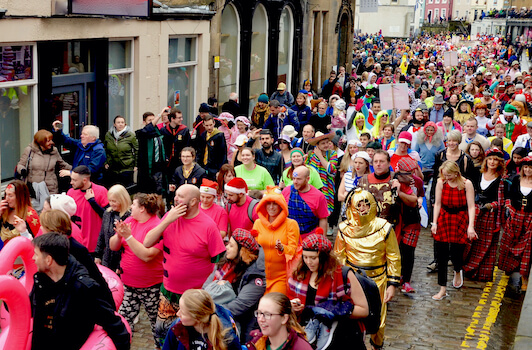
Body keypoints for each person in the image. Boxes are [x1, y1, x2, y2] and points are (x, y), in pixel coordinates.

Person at [144, 184, 226, 345]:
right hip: (168, 293)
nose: (176, 198)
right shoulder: (170, 217)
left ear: (194, 201)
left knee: (191, 340)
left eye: (181, 196)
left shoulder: (208, 226)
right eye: (177, 195)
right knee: (163, 336)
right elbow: (147, 242)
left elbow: (220, 260)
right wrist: (167, 220)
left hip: (194, 300)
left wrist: (208, 288)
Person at [30, 233, 130, 350]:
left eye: (36, 255)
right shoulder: (41, 280)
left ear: (48, 260)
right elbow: (31, 308)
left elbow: (114, 324)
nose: (33, 258)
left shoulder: (83, 288)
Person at [334, 188, 401, 350]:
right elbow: (339, 257)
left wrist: (392, 284)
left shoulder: (384, 228)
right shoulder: (344, 229)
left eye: (366, 204)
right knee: (353, 317)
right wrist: (340, 282)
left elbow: (393, 257)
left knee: (378, 320)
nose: (362, 208)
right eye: (359, 205)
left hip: (378, 279)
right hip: (353, 281)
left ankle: (376, 346)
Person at [288, 234, 369, 349]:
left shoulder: (343, 274)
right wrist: (291, 306)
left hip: (339, 336)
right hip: (307, 334)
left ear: (324, 257)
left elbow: (364, 310)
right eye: (305, 257)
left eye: (313, 258)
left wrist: (335, 309)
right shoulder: (299, 274)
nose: (308, 262)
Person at [110, 193, 164, 348]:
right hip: (128, 284)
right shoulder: (129, 221)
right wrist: (119, 236)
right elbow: (113, 246)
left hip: (150, 286)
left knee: (156, 324)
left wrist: (128, 237)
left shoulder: (156, 226)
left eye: (133, 205)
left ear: (142, 209)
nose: (130, 207)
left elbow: (147, 256)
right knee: (123, 320)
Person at [39, 209, 115, 308]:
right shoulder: (50, 248)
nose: (40, 228)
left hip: (77, 304)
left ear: (51, 229)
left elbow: (95, 276)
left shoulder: (75, 249)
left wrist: (109, 306)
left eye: (43, 226)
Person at [203, 228, 266, 341]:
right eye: (227, 244)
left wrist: (211, 311)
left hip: (238, 322)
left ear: (242, 251)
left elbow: (240, 305)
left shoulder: (255, 276)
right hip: (213, 312)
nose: (226, 248)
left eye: (231, 246)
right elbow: (207, 283)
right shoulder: (226, 261)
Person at [431, 161, 477, 301]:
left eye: (449, 175)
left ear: (456, 173)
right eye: (444, 175)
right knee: (442, 255)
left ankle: (458, 270)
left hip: (460, 218)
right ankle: (442, 289)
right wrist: (434, 222)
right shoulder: (441, 182)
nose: (447, 177)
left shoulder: (466, 184)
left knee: (457, 252)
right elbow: (437, 203)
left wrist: (471, 226)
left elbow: (471, 206)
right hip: (444, 217)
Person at [463, 149, 505, 282]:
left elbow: (502, 202)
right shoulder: (477, 173)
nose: (492, 162)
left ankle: (480, 273)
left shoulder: (502, 180)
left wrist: (491, 205)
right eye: (490, 159)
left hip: (489, 216)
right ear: (486, 160)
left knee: (484, 245)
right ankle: (465, 269)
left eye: (496, 160)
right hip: (473, 211)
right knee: (470, 242)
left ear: (500, 163)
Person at [253, 186, 300, 294]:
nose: (271, 207)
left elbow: (293, 250)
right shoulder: (258, 223)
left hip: (281, 277)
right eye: (268, 203)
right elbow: (253, 249)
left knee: (274, 306)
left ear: (281, 206)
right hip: (259, 276)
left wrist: (282, 248)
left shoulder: (291, 224)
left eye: (275, 204)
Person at [163, 289, 241, 350]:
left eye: (183, 313)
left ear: (198, 318)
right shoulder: (177, 327)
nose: (178, 314)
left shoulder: (227, 337)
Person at [499, 154, 532, 293]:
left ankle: (525, 278)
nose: (528, 170)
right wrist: (509, 210)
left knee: (527, 248)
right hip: (515, 215)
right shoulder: (516, 180)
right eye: (526, 167)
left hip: (530, 217)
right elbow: (509, 197)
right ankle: (510, 268)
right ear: (522, 168)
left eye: (531, 168)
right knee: (511, 243)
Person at [246, 292, 312, 350]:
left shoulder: (301, 347)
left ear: (284, 319)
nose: (261, 319)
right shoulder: (257, 343)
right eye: (259, 313)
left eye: (267, 314)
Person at [67, 165, 109, 253]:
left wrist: (92, 202)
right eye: (71, 179)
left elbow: (108, 217)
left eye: (74, 180)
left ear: (85, 180)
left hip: (96, 246)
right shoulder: (71, 192)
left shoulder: (101, 191)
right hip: (77, 243)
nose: (71, 182)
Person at [17, 129, 71, 195]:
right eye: (48, 141)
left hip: (50, 189)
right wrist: (22, 170)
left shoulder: (54, 151)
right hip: (33, 189)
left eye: (51, 140)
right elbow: (20, 164)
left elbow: (63, 164)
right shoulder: (30, 150)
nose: (51, 142)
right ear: (41, 142)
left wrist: (76, 171)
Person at [282, 166, 328, 239]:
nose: (295, 182)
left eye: (299, 179)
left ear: (307, 179)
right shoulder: (286, 191)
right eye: (293, 178)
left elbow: (323, 219)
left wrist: (322, 240)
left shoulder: (319, 196)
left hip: (310, 238)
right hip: (289, 236)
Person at [94, 184, 132, 272]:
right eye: (110, 201)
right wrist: (98, 255)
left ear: (122, 200)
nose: (111, 204)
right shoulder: (107, 213)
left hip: (122, 260)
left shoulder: (130, 216)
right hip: (107, 258)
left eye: (114, 201)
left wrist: (120, 265)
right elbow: (102, 235)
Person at [357, 150, 400, 224]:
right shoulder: (363, 180)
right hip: (369, 225)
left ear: (389, 163)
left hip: (392, 226)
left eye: (382, 161)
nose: (378, 164)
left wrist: (399, 192)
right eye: (375, 161)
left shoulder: (397, 179)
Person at [0, 180, 40, 249]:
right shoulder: (4, 211)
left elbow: (37, 243)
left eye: (10, 196)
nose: (6, 199)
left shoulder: (30, 214)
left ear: (20, 197)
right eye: (6, 194)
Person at [306, 132, 338, 215]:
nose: (326, 145)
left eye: (327, 142)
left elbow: (331, 169)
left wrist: (320, 156)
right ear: (317, 145)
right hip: (313, 188)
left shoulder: (332, 154)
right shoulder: (310, 155)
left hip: (327, 188)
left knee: (325, 213)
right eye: (323, 143)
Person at [136, 111, 167, 195]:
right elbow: (147, 129)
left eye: (154, 120)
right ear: (144, 122)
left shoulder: (158, 133)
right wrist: (159, 114)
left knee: (159, 192)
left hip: (158, 167)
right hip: (147, 168)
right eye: (150, 120)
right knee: (147, 193)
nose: (153, 122)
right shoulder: (142, 133)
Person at [103, 115, 138, 188]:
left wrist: (136, 165)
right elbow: (105, 149)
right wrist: (106, 162)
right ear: (114, 124)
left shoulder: (130, 135)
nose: (120, 124)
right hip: (112, 168)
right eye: (118, 122)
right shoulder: (109, 135)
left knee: (126, 189)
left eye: (122, 122)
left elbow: (137, 150)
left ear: (125, 124)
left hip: (126, 167)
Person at [160, 108, 191, 186]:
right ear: (172, 119)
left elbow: (188, 146)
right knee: (168, 182)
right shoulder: (164, 131)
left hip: (180, 161)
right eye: (179, 118)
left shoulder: (184, 130)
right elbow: (162, 146)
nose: (181, 119)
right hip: (168, 162)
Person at [338, 151, 371, 218]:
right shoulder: (347, 175)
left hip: (362, 215)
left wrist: (347, 195)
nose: (357, 165)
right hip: (347, 214)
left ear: (366, 164)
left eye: (360, 163)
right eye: (355, 162)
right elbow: (340, 196)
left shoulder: (370, 178)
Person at [196, 114, 228, 180]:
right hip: (203, 166)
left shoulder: (219, 135)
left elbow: (223, 154)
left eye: (210, 125)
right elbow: (200, 151)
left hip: (215, 167)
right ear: (203, 125)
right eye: (207, 125)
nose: (209, 127)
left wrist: (220, 170)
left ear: (214, 123)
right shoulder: (203, 135)